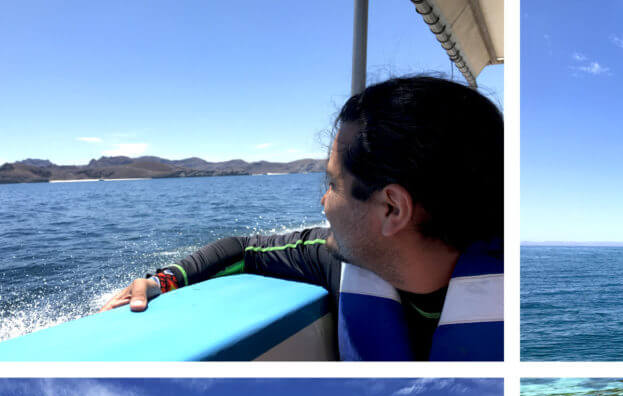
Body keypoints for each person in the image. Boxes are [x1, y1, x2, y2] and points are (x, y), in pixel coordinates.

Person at [101, 75, 503, 361]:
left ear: (392, 209)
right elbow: (244, 249)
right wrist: (163, 280)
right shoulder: (336, 258)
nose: (324, 202)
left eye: (333, 184)